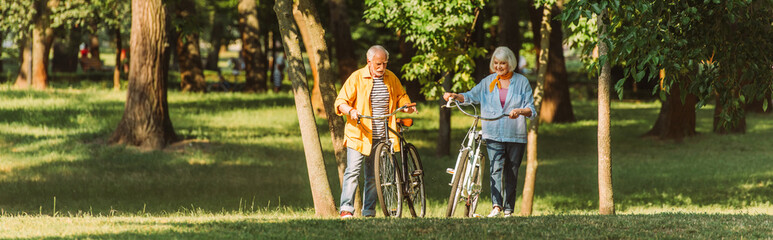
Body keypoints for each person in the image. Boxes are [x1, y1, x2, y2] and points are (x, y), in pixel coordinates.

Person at [442, 46, 537, 218]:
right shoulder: (488, 82)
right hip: (492, 132)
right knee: (496, 168)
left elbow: (531, 108)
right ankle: (496, 206)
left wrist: (520, 111)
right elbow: (471, 96)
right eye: (496, 63)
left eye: (503, 63)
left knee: (512, 171)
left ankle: (508, 209)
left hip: (515, 134)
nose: (499, 66)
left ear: (511, 63)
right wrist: (456, 96)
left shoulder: (522, 82)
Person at [334, 45, 417, 218]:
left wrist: (407, 107)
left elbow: (401, 97)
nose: (382, 68)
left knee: (373, 176)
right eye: (378, 64)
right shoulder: (357, 77)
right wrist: (351, 111)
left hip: (381, 135)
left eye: (385, 64)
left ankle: (369, 211)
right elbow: (341, 101)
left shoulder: (391, 78)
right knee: (353, 171)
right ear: (369, 62)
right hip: (359, 134)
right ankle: (346, 209)